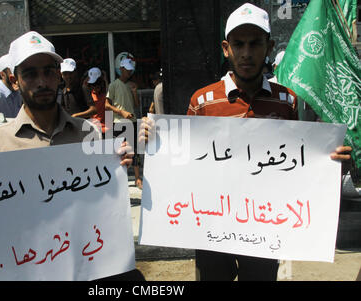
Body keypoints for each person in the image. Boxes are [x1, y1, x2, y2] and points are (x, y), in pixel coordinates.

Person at [139, 2, 351, 281]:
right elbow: (181, 160)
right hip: (211, 228)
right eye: (239, 44)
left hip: (264, 229)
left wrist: (328, 160)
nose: (247, 53)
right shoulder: (202, 101)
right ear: (226, 48)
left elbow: (299, 163)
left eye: (255, 43)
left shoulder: (286, 100)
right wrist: (156, 143)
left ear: (269, 45)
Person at [0, 31, 143, 281]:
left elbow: (103, 203)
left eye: (48, 71)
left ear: (58, 75)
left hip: (85, 266)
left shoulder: (88, 135)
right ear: (14, 81)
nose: (42, 81)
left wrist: (119, 165)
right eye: (30, 73)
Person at [107, 58, 143, 189]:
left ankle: (138, 178)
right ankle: (121, 180)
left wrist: (134, 92)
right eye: (127, 70)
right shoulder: (113, 85)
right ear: (121, 69)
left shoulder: (131, 85)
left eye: (130, 70)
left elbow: (136, 105)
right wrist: (121, 112)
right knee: (120, 151)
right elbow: (107, 105)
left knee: (135, 151)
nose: (129, 72)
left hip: (132, 121)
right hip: (119, 122)